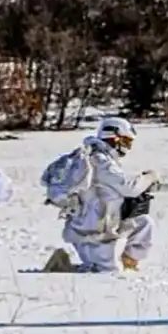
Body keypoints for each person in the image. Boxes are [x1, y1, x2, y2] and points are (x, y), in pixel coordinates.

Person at [42, 117, 159, 273]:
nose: (127, 147)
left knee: (143, 223)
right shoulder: (100, 161)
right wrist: (149, 177)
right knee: (107, 273)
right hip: (94, 232)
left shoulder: (94, 157)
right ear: (114, 137)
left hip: (100, 226)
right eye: (126, 141)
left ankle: (127, 261)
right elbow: (129, 187)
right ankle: (60, 266)